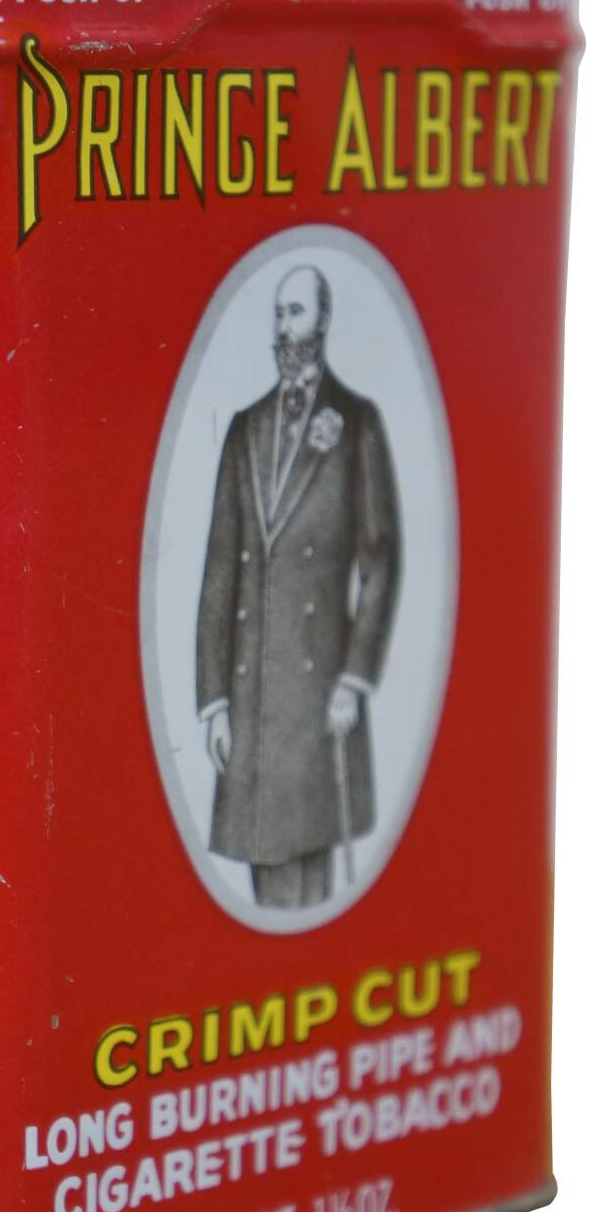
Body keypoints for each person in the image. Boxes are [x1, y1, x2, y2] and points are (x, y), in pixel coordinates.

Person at [196, 264, 401, 908]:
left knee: (308, 885)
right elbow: (219, 571)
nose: (285, 329)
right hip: (252, 705)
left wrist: (355, 680)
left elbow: (381, 559)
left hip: (318, 704)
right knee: (267, 883)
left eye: (297, 313)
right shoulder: (243, 428)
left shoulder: (357, 425)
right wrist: (214, 703)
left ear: (325, 321)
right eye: (278, 315)